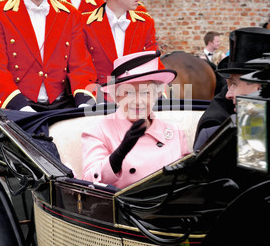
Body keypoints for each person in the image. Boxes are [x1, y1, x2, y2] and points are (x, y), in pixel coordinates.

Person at [81, 51, 189, 189]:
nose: (138, 101)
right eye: (128, 92)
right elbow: (88, 180)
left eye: (146, 92)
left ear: (156, 95)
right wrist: (117, 157)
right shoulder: (98, 131)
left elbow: (188, 178)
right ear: (117, 96)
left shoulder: (175, 132)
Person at [194, 27, 270, 150]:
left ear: (261, 88)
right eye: (229, 84)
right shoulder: (214, 127)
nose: (228, 94)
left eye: (235, 84)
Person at [82, 0, 164, 89]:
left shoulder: (145, 22)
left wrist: (159, 91)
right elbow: (81, 70)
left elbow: (154, 63)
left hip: (137, 97)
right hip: (99, 100)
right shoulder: (84, 24)